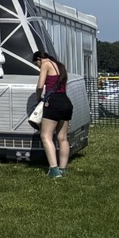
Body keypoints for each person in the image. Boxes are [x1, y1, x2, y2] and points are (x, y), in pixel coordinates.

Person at [35, 48, 72, 179]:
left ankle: (54, 170)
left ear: (39, 59)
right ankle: (63, 168)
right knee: (62, 138)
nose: (38, 67)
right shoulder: (60, 66)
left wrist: (38, 98)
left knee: (46, 136)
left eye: (36, 64)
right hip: (65, 101)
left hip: (53, 102)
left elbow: (40, 86)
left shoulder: (45, 64)